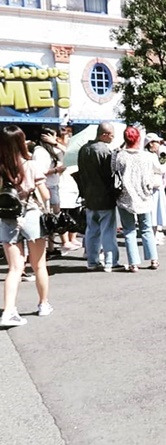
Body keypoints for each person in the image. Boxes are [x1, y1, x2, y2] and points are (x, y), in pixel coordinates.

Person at [0, 125, 53, 326]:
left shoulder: (1, 168)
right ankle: (43, 304)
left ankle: (8, 311)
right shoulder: (31, 165)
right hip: (31, 216)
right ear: (21, 143)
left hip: (8, 219)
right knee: (39, 265)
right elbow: (45, 194)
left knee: (14, 268)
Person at [112, 126, 159, 272]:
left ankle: (133, 263)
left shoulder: (119, 156)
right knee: (146, 228)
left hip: (125, 196)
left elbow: (113, 171)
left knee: (129, 230)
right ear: (139, 138)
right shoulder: (146, 156)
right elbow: (151, 176)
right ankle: (153, 259)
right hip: (144, 196)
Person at [77, 121, 121, 272]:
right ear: (105, 134)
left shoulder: (84, 149)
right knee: (108, 230)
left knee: (91, 230)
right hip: (104, 196)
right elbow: (110, 175)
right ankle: (111, 261)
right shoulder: (104, 151)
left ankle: (92, 261)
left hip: (89, 195)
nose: (113, 138)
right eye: (112, 135)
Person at [32, 127, 66, 257]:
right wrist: (56, 170)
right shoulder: (40, 152)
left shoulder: (50, 150)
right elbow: (40, 172)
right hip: (46, 187)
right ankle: (45, 249)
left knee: (52, 218)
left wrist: (56, 143)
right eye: (53, 136)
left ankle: (51, 248)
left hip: (53, 185)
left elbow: (68, 153)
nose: (55, 138)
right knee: (49, 218)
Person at [144, 132, 166, 245]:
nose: (159, 144)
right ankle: (153, 236)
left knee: (152, 213)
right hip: (154, 187)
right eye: (157, 142)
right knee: (154, 213)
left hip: (150, 187)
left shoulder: (145, 155)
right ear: (150, 143)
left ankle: (153, 236)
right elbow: (160, 169)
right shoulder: (151, 156)